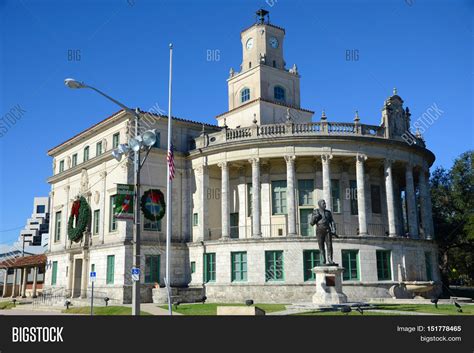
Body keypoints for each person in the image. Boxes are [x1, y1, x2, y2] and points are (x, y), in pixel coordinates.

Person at [310, 199, 337, 265]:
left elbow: (332, 222)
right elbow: (311, 223)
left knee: (329, 245)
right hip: (319, 230)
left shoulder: (328, 212)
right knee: (321, 246)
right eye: (323, 203)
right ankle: (323, 260)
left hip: (327, 230)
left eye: (325, 203)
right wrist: (316, 217)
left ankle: (330, 259)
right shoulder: (315, 212)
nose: (325, 205)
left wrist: (334, 229)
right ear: (319, 205)